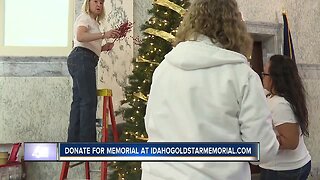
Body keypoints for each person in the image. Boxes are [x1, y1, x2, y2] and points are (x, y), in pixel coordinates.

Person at [141, 0, 279, 179]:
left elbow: (150, 125)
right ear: (234, 25)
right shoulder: (242, 75)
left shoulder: (163, 69)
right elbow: (262, 150)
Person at [67, 0, 120, 142]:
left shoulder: (94, 23)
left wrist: (102, 48)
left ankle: (74, 141)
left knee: (79, 100)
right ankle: (87, 142)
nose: (99, 5)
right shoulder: (84, 17)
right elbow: (80, 36)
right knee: (88, 100)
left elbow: (87, 44)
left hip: (82, 59)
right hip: (82, 58)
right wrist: (104, 35)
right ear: (88, 3)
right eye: (95, 1)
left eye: (101, 2)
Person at [259, 55, 311, 180]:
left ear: (275, 79)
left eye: (264, 74)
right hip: (290, 165)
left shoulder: (280, 104)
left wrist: (260, 140)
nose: (262, 78)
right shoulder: (277, 95)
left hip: (284, 170)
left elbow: (291, 142)